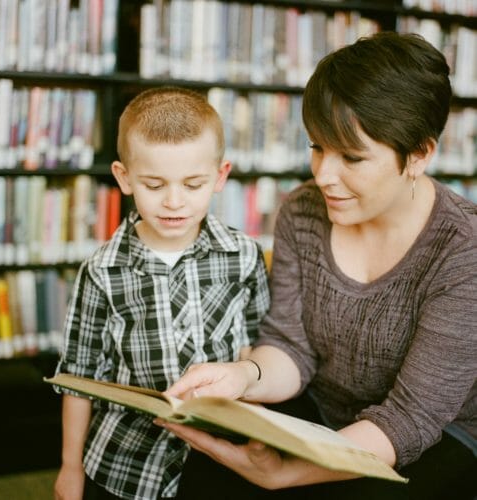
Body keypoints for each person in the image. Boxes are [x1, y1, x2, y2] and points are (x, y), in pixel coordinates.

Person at [158, 32, 477, 500]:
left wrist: (285, 472)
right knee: (207, 473)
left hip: (435, 437)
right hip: (324, 412)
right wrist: (242, 376)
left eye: (351, 157)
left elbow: (410, 420)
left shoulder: (463, 251)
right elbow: (291, 347)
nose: (324, 175)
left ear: (420, 155)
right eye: (317, 147)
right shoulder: (303, 212)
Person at [53, 87, 270, 500]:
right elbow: (77, 379)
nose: (174, 202)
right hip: (126, 464)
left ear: (221, 176)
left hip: (222, 458)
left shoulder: (243, 255)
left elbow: (257, 347)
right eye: (154, 184)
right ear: (124, 178)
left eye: (193, 184)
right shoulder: (101, 271)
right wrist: (69, 467)